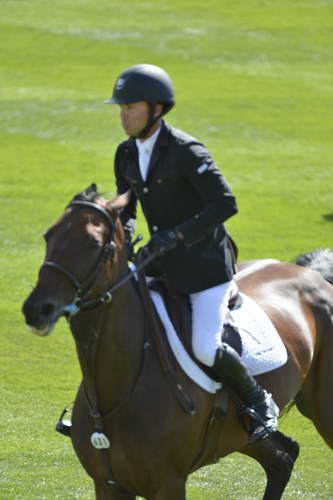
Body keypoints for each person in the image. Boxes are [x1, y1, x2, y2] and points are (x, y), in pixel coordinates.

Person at [105, 63, 279, 441]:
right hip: (158, 264)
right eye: (120, 108)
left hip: (205, 267)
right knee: (118, 326)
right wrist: (125, 236)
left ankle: (258, 399)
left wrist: (176, 236)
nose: (122, 115)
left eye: (130, 107)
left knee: (203, 344)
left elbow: (224, 203)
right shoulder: (126, 153)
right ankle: (105, 415)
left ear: (156, 109)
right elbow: (128, 207)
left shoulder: (186, 150)